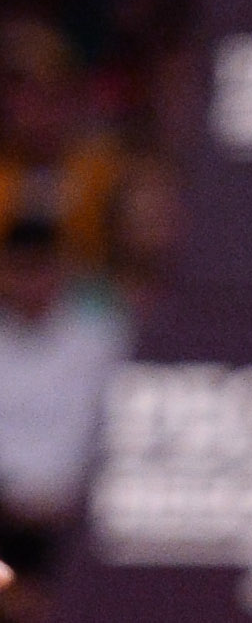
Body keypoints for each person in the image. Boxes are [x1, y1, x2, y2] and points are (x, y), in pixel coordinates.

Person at [0, 214, 128, 598]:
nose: (31, 283)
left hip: (80, 522)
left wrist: (76, 500)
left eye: (42, 269)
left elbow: (116, 433)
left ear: (64, 270)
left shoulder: (103, 342)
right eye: (20, 270)